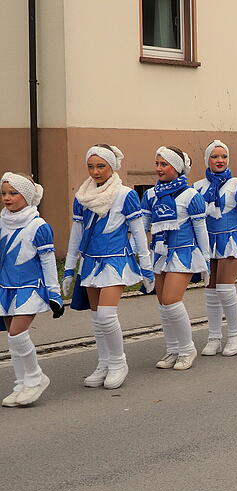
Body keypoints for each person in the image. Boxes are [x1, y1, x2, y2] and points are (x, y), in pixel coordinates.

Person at [62, 144, 152, 389]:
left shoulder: (125, 195)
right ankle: (104, 362)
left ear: (112, 167)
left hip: (116, 260)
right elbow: (76, 234)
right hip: (90, 262)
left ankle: (118, 363)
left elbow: (138, 233)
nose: (95, 172)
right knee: (96, 318)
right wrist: (70, 268)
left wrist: (146, 266)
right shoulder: (82, 197)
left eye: (101, 166)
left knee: (106, 314)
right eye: (91, 166)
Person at [141, 147, 210, 370]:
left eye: (164, 164)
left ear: (177, 168)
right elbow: (142, 227)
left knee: (171, 301)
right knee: (163, 304)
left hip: (184, 253)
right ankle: (173, 349)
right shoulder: (150, 195)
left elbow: (201, 231)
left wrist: (206, 261)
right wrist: (139, 252)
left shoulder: (191, 196)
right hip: (160, 253)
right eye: (157, 164)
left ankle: (187, 348)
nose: (159, 168)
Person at [194, 140, 237, 356]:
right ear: (207, 160)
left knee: (225, 288)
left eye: (223, 156)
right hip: (209, 244)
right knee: (211, 291)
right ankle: (214, 336)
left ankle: (235, 333)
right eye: (215, 157)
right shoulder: (197, 187)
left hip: (232, 241)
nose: (220, 161)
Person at [0, 173, 62, 406]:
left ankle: (36, 378)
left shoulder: (38, 226)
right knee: (12, 338)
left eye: (13, 193)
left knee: (17, 334)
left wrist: (54, 293)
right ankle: (21, 383)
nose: (7, 198)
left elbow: (48, 262)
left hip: (30, 288)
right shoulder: (2, 221)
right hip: (6, 287)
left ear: (27, 196)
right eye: (4, 193)